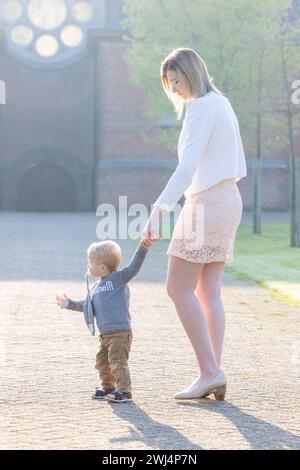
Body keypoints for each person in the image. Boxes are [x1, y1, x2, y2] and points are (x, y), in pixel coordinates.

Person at [142, 47, 247, 400]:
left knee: (178, 288)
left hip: (206, 203)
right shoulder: (222, 103)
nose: (174, 89)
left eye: (176, 81)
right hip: (229, 199)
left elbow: (186, 169)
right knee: (208, 291)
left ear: (191, 73)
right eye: (169, 84)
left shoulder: (200, 108)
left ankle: (209, 371)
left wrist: (159, 210)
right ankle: (213, 370)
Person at [56, 239, 152, 403]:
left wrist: (142, 248)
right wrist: (69, 304)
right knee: (102, 361)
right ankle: (108, 387)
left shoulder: (118, 279)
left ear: (101, 267)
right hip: (105, 335)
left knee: (118, 361)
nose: (88, 264)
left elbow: (133, 267)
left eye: (90, 262)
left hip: (120, 332)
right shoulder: (95, 288)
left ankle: (124, 391)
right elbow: (86, 306)